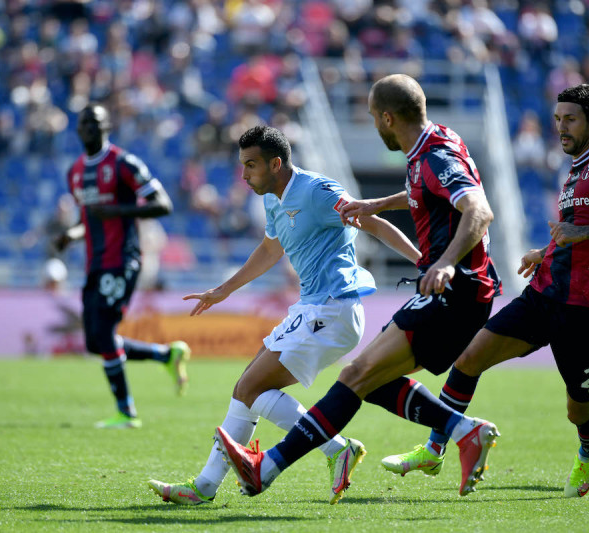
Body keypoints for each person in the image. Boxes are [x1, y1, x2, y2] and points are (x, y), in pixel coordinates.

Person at [213, 74, 502, 501]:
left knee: (354, 376)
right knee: (368, 379)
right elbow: (424, 191)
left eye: (372, 116)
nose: (372, 125)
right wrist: (380, 202)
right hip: (459, 289)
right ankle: (464, 430)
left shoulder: (433, 156)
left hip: (454, 288)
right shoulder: (436, 143)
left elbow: (479, 209)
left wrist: (442, 262)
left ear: (388, 117)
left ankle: (269, 465)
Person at [385, 83, 589, 498]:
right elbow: (573, 235)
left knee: (577, 408)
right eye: (557, 119)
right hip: (545, 294)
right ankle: (436, 448)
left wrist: (578, 233)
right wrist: (544, 251)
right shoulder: (575, 170)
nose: (561, 128)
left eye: (570, 120)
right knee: (469, 357)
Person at [148, 125, 422, 505]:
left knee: (250, 388)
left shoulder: (316, 191)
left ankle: (337, 449)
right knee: (245, 389)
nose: (244, 175)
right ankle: (205, 487)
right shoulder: (272, 199)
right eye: (242, 165)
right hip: (313, 307)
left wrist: (424, 262)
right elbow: (270, 248)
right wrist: (223, 290)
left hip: (334, 307)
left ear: (276, 164)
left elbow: (373, 222)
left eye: (251, 166)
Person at [55, 104, 191, 429]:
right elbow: (85, 219)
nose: (90, 128)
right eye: (84, 123)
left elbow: (163, 205)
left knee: (103, 334)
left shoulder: (123, 163)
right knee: (94, 342)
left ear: (108, 127)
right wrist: (70, 235)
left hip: (122, 260)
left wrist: (116, 210)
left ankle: (126, 412)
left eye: (96, 123)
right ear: (78, 130)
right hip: (94, 262)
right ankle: (166, 355)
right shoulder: (74, 172)